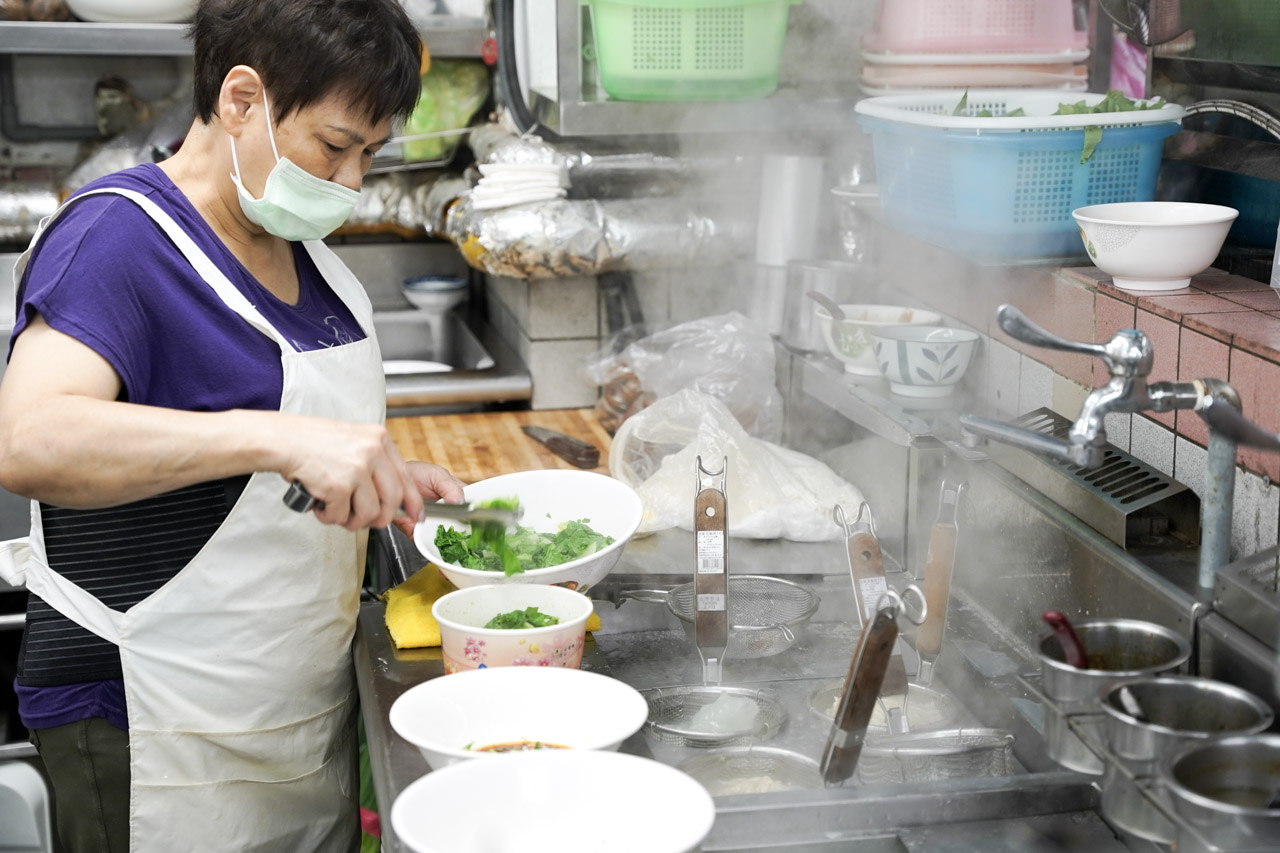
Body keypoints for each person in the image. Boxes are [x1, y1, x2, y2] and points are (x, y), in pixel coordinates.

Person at [0, 1, 465, 850]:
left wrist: (378, 471)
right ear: (242, 100)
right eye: (335, 146)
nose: (354, 180)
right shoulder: (119, 239)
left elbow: (281, 451)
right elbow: (29, 440)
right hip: (154, 724)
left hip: (289, 718)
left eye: (370, 154)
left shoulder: (304, 253)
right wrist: (281, 439)